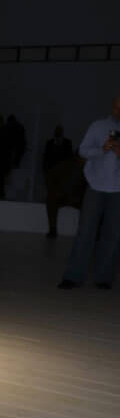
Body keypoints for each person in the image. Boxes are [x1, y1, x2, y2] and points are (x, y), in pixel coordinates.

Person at [58, 96, 120, 289]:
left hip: (118, 189)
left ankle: (103, 278)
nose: (119, 111)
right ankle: (73, 276)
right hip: (95, 186)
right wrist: (103, 149)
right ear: (113, 107)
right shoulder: (98, 126)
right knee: (85, 232)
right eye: (117, 107)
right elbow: (83, 151)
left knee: (113, 235)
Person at [43, 124, 77, 237]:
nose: (57, 132)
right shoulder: (50, 143)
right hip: (53, 175)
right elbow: (46, 158)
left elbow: (69, 158)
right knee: (52, 199)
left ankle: (53, 229)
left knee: (52, 200)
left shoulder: (67, 143)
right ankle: (52, 229)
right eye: (57, 130)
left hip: (63, 176)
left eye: (59, 130)